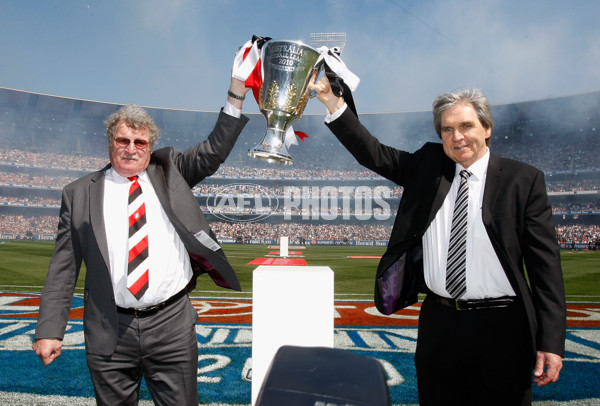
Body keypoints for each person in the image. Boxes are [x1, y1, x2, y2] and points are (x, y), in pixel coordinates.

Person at [309, 77, 566, 406]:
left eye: (466, 125)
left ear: (487, 128)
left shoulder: (523, 180)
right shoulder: (428, 167)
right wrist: (332, 102)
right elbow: (372, 153)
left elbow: (545, 268)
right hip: (440, 323)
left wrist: (552, 342)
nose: (457, 136)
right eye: (447, 129)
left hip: (504, 326)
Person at [32, 66, 251, 405]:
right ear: (110, 143)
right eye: (123, 140)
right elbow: (64, 266)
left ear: (150, 147)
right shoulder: (78, 194)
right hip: (109, 328)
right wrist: (49, 329)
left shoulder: (170, 172)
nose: (131, 148)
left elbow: (213, 151)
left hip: (171, 325)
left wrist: (237, 89)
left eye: (140, 142)